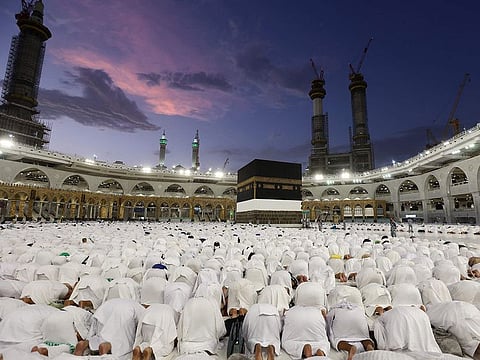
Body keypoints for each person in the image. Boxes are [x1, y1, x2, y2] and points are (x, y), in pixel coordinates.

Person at [74, 298, 144, 357]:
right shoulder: (144, 311)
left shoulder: (134, 304)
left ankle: (86, 344)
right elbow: (140, 334)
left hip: (104, 308)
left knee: (100, 335)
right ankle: (106, 348)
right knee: (124, 345)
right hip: (125, 312)